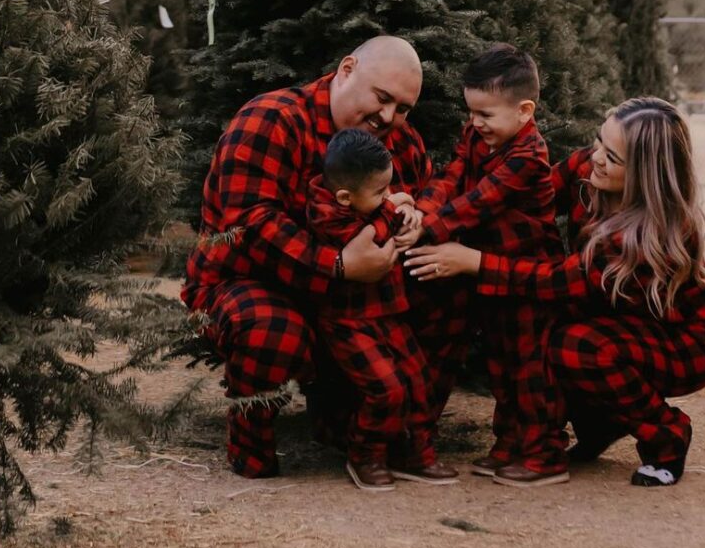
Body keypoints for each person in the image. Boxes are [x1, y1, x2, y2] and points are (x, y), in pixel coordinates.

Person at [405, 97, 705, 487]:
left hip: (687, 341)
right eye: (598, 142)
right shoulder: (587, 171)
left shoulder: (646, 237)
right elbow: (528, 199)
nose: (597, 158)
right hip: (618, 318)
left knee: (575, 346)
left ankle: (666, 436)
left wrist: (472, 261)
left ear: (647, 174)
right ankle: (596, 424)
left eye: (614, 157)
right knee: (541, 329)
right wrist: (431, 215)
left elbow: (554, 281)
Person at [181, 36, 457, 483]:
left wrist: (418, 216)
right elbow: (249, 226)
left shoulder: (396, 141)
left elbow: (432, 187)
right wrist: (339, 264)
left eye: (403, 108)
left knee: (450, 292)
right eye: (382, 98)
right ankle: (250, 442)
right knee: (272, 328)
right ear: (347, 69)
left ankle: (378, 430)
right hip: (248, 281)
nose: (389, 117)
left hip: (351, 303)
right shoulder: (270, 120)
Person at [413, 44, 569, 486]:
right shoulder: (477, 135)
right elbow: (454, 176)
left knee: (529, 366)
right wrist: (423, 210)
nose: (475, 123)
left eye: (485, 114)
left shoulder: (527, 155)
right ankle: (509, 442)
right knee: (501, 364)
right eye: (471, 112)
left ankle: (545, 452)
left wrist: (431, 229)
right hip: (488, 271)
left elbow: (479, 203)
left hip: (525, 275)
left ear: (524, 111)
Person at [305, 128, 441, 490]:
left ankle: (416, 453)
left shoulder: (369, 203)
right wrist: (396, 207)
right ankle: (365, 454)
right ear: (346, 197)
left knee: (419, 378)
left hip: (388, 311)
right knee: (386, 389)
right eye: (380, 191)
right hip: (349, 321)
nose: (386, 197)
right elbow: (369, 236)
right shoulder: (325, 211)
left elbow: (387, 215)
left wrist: (406, 207)